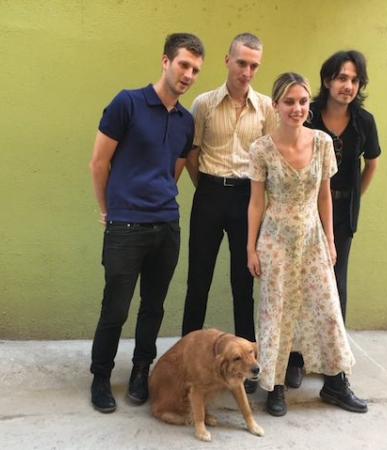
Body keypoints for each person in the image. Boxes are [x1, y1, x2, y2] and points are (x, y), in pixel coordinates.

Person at [88, 33, 205, 413]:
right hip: (125, 227)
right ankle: (101, 376)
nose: (188, 75)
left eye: (195, 70)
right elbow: (98, 163)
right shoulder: (128, 103)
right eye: (183, 65)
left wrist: (159, 203)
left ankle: (141, 371)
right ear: (166, 61)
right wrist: (108, 209)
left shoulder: (186, 122)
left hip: (166, 227)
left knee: (153, 307)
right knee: (116, 308)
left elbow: (173, 173)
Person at [247, 72, 367, 417]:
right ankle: (276, 386)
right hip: (276, 240)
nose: (297, 108)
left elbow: (325, 196)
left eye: (302, 101)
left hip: (313, 237)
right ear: (275, 105)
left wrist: (330, 240)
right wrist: (251, 248)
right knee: (277, 313)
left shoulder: (322, 143)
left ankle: (335, 383)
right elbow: (256, 202)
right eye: (289, 102)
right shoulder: (261, 149)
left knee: (327, 308)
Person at [181, 33, 277, 393]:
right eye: (241, 63)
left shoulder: (265, 107)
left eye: (254, 65)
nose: (247, 71)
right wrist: (206, 187)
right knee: (198, 282)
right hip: (208, 193)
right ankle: (187, 361)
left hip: (246, 199)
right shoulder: (203, 104)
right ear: (227, 60)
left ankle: (248, 368)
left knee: (242, 284)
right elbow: (192, 153)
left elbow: (269, 158)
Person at [287, 50, 381, 399]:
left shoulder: (364, 122)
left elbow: (371, 164)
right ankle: (295, 358)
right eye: (342, 78)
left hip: (342, 216)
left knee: (334, 287)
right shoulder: (308, 114)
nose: (348, 86)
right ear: (327, 80)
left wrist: (354, 197)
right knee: (299, 285)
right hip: (305, 213)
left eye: (354, 80)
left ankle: (333, 365)